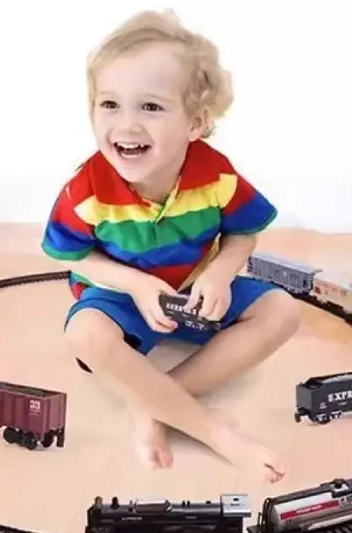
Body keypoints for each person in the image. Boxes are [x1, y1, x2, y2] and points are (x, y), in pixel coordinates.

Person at [41, 10, 300, 481]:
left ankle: (155, 404)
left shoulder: (216, 175)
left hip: (195, 291)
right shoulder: (87, 188)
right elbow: (75, 254)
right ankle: (213, 429)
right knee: (83, 335)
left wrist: (222, 272)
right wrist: (136, 285)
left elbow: (245, 231)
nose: (127, 124)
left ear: (195, 123)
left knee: (283, 311)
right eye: (110, 105)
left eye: (151, 107)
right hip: (121, 297)